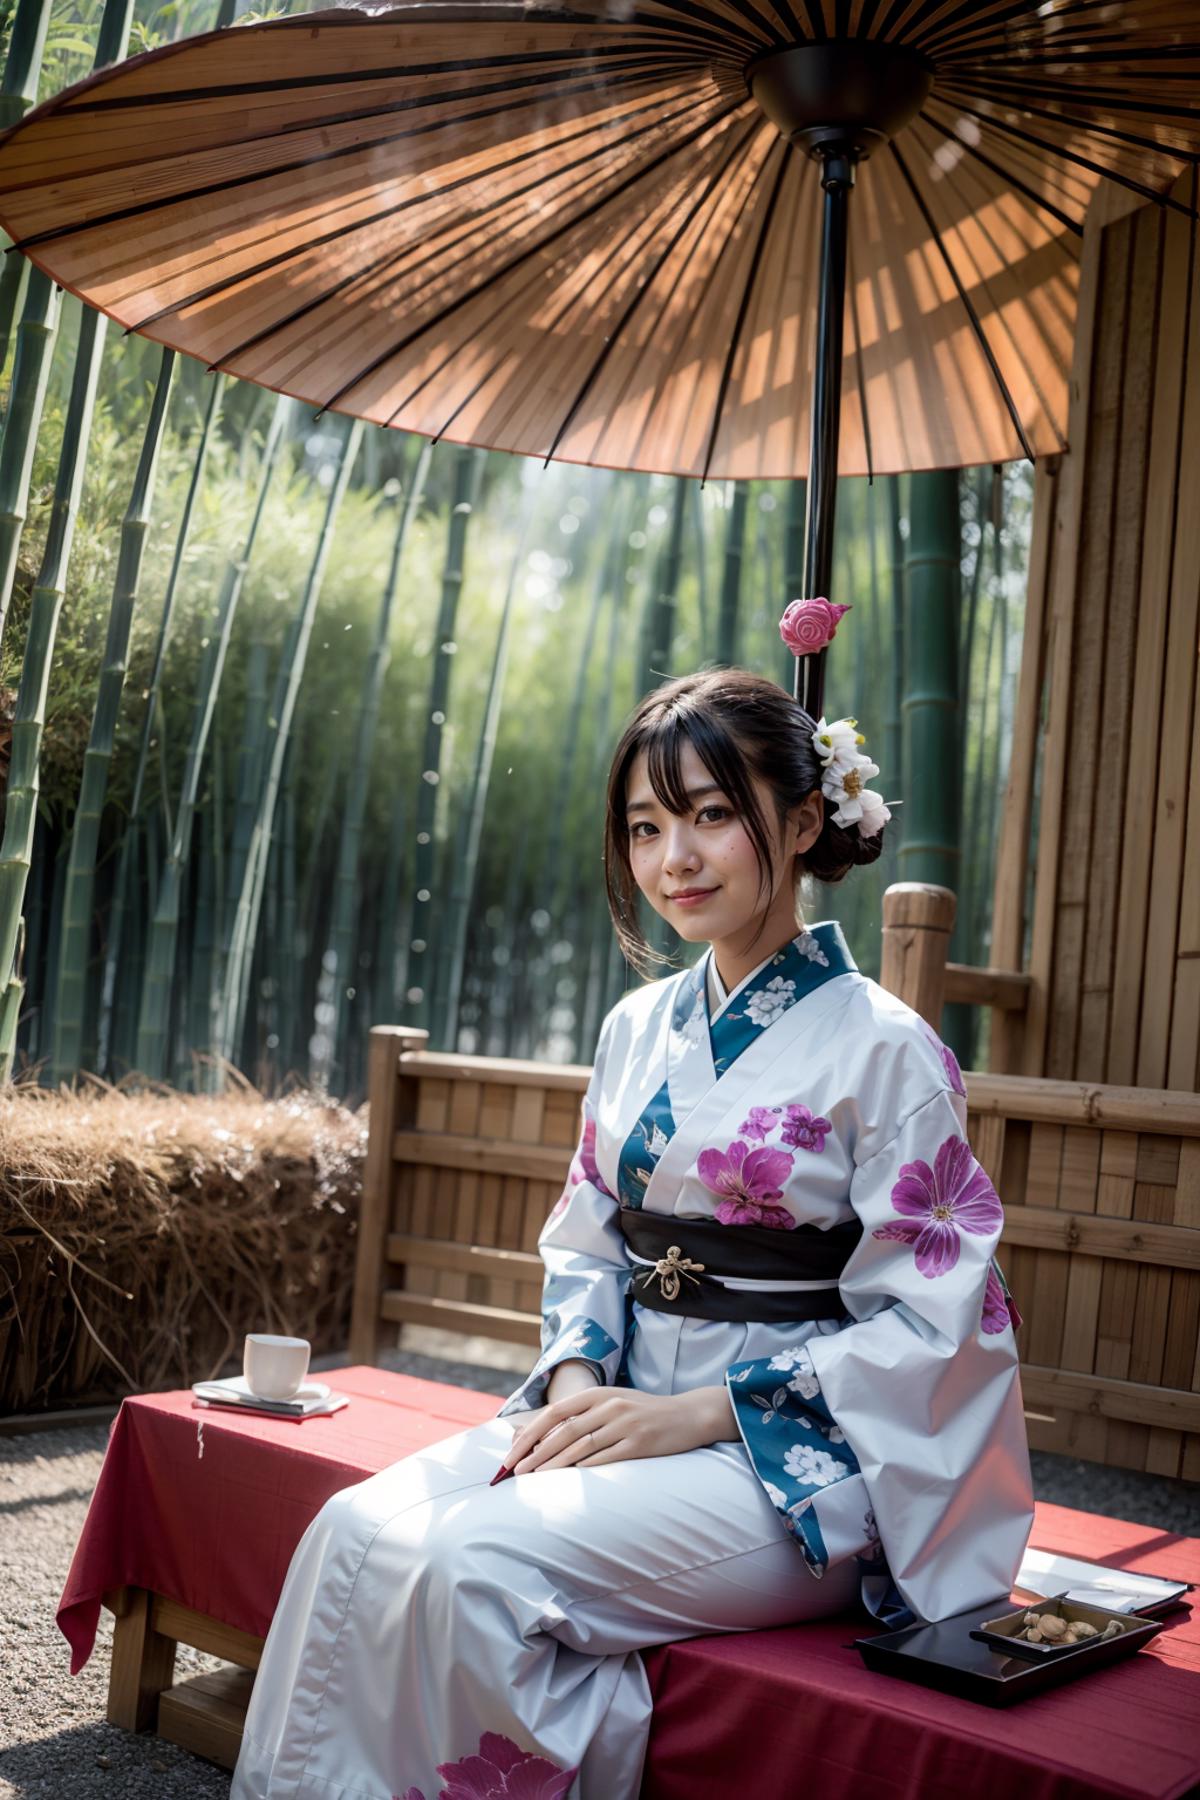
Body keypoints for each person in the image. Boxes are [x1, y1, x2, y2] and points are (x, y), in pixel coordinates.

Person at [231, 658, 1033, 1800]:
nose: (674, 860)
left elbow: (938, 1322)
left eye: (713, 817)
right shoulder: (636, 1024)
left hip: (797, 1462)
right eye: (647, 827)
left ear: (805, 821)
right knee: (351, 1534)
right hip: (615, 1411)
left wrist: (705, 1413)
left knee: (474, 1567)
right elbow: (588, 1233)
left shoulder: (888, 1049)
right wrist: (572, 1380)